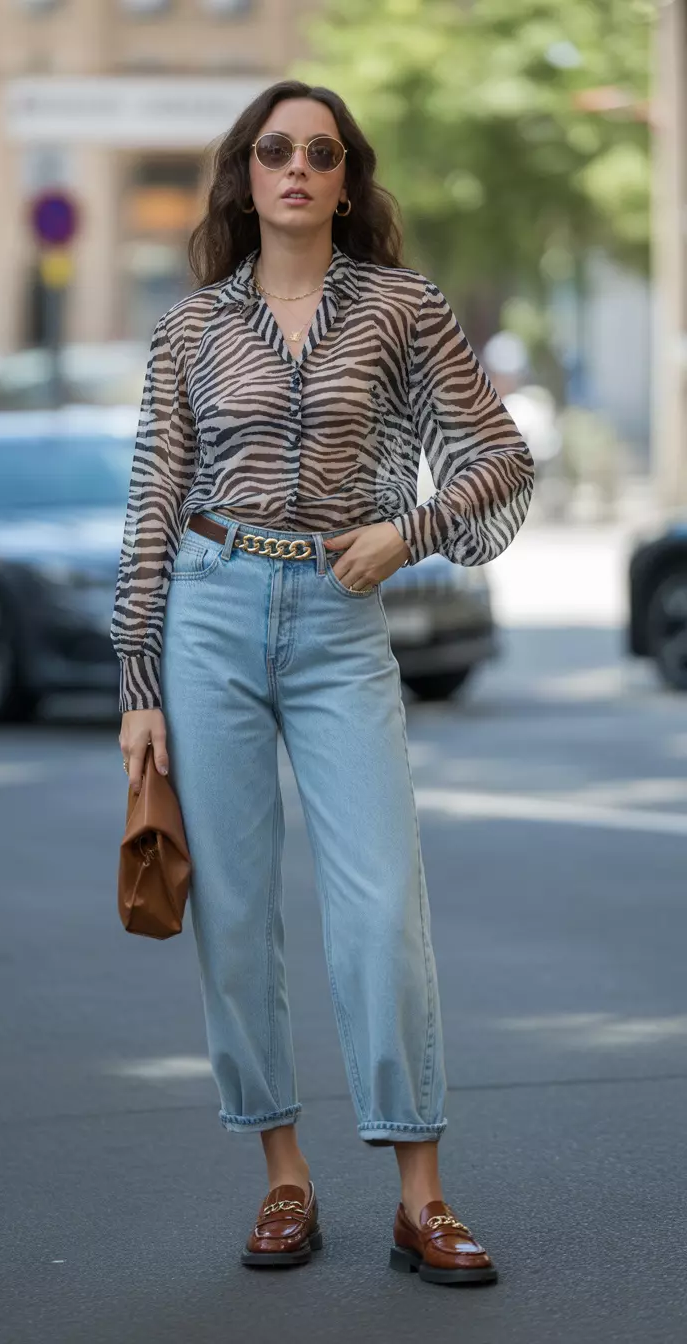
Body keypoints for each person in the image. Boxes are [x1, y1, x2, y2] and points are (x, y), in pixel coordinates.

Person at [110, 78, 534, 1285]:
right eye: (274, 147)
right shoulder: (190, 329)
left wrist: (408, 530)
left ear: (348, 180)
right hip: (210, 616)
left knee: (380, 908)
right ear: (246, 173)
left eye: (322, 151)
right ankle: (283, 1177)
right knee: (237, 916)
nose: (296, 166)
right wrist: (138, 681)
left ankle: (421, 1195)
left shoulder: (403, 307)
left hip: (342, 620)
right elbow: (151, 505)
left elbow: (501, 455)